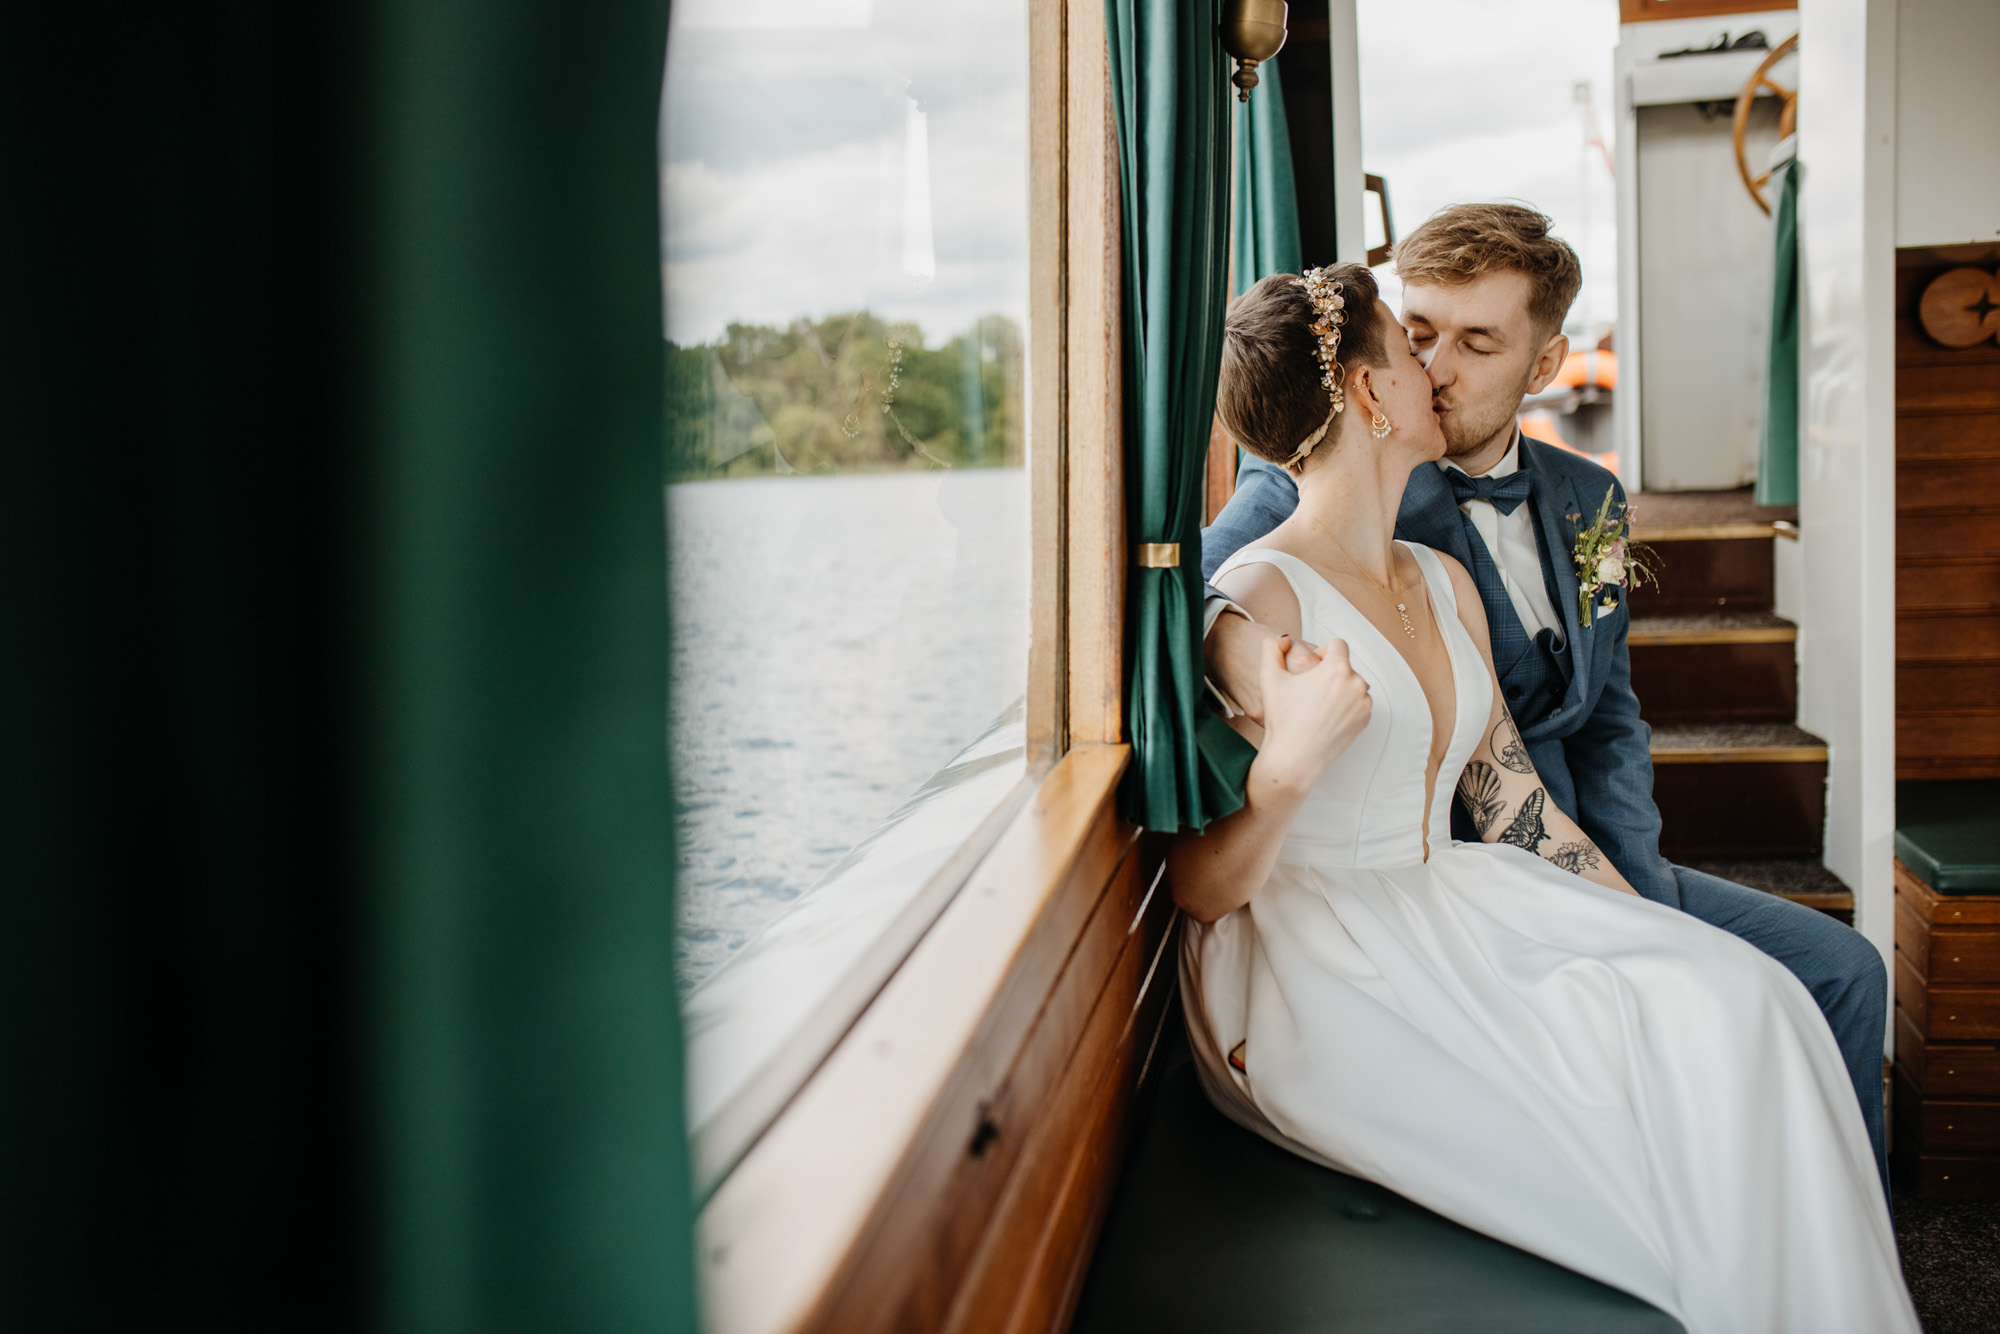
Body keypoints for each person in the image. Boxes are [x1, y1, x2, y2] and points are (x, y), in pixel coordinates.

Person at [1171, 259, 1919, 1333]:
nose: (1436, 362)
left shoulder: (1587, 508)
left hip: (1521, 858)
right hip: (1348, 932)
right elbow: (1210, 588)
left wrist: (1635, 892)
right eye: (1416, 337)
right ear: (1369, 390)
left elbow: (1605, 708)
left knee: (1784, 988)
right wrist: (1249, 688)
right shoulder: (1259, 579)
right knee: (1686, 1036)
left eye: (1476, 341)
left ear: (1543, 360)